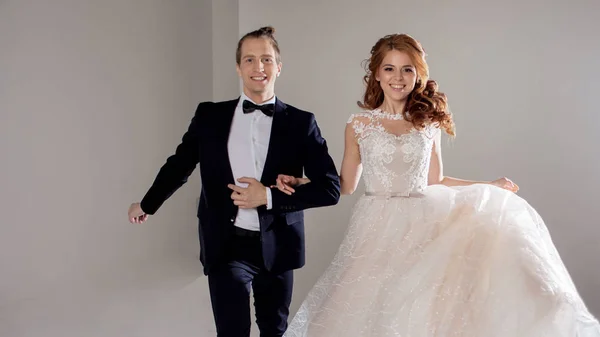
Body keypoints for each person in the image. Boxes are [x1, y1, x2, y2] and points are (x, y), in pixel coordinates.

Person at [276, 33, 600, 336]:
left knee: (423, 305)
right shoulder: (359, 124)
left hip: (423, 220)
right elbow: (346, 184)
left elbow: (436, 180)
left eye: (407, 69)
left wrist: (489, 185)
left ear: (418, 74)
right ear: (376, 74)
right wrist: (302, 182)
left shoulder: (427, 123)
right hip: (376, 224)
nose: (398, 77)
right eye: (389, 69)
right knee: (370, 305)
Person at [127, 26, 341, 337]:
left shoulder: (300, 122)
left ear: (279, 67)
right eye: (250, 60)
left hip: (279, 245)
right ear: (238, 67)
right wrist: (147, 204)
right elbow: (180, 165)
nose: (259, 68)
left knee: (274, 330)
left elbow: (330, 188)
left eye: (267, 60)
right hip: (227, 243)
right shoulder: (209, 116)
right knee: (232, 331)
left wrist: (267, 198)